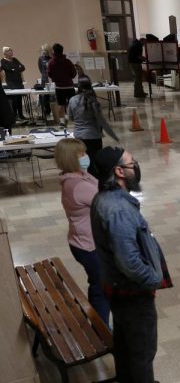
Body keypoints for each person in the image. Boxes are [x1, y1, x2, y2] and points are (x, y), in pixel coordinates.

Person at [90, 146, 180, 383]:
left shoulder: (106, 200)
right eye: (132, 163)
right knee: (143, 347)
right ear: (119, 171)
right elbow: (129, 260)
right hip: (131, 291)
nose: (136, 167)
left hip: (116, 288)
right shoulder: (118, 209)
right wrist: (151, 279)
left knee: (124, 340)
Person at [54, 138, 109, 326]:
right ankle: (101, 330)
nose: (86, 156)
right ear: (70, 159)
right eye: (81, 154)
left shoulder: (80, 176)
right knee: (101, 288)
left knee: (98, 284)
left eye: (85, 152)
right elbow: (106, 203)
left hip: (83, 242)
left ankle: (99, 322)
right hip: (88, 246)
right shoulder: (78, 185)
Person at [68, 77, 119, 177]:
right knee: (94, 164)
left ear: (78, 87)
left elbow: (71, 117)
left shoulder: (72, 100)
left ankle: (84, 182)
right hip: (94, 137)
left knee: (83, 162)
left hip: (79, 136)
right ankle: (95, 184)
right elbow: (102, 122)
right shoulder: (94, 102)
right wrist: (113, 136)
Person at [47, 44, 78, 123]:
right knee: (72, 104)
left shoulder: (51, 62)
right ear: (62, 51)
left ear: (53, 51)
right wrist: (69, 78)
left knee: (61, 105)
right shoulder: (68, 61)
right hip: (69, 86)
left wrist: (56, 79)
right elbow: (74, 73)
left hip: (59, 87)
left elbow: (49, 74)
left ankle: (62, 122)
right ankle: (76, 120)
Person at [1, 47, 26, 120]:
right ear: (5, 53)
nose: (11, 52)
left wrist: (15, 69)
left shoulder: (15, 59)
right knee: (14, 99)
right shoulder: (3, 61)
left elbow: (23, 67)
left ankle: (21, 115)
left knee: (19, 99)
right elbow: (7, 69)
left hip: (19, 82)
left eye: (11, 50)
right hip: (11, 82)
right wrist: (16, 69)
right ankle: (14, 116)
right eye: (8, 51)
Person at [38, 44, 52, 119]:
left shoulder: (52, 58)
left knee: (52, 96)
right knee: (45, 96)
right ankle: (46, 111)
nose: (43, 51)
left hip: (52, 79)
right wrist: (44, 75)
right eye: (42, 50)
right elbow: (40, 69)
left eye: (44, 50)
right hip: (44, 79)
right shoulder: (40, 59)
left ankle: (54, 111)